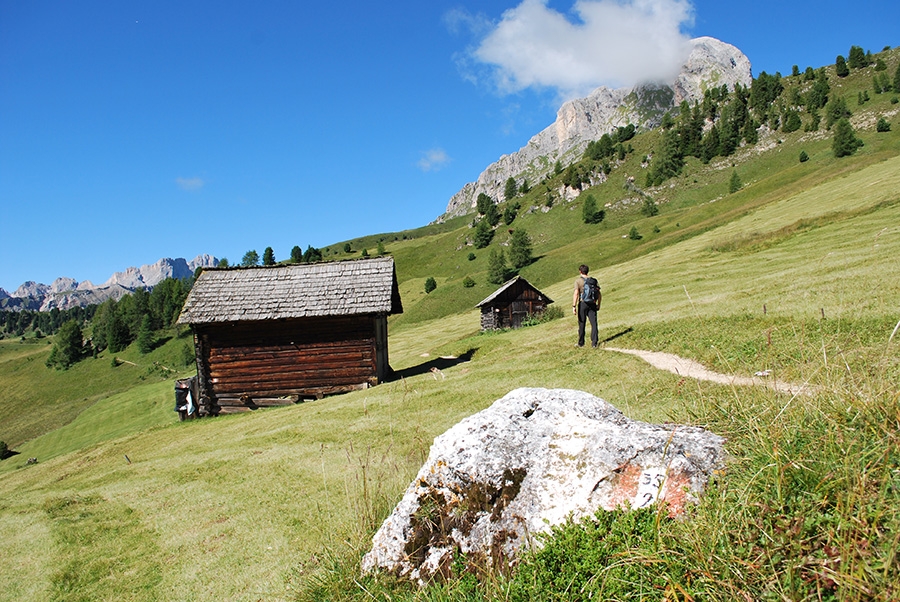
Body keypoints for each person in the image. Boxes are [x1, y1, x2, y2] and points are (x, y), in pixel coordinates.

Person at [573, 264, 600, 348]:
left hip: (583, 303)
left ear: (580, 271)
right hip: (592, 303)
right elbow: (599, 294)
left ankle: (581, 343)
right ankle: (594, 343)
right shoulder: (594, 281)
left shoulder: (578, 281)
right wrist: (598, 304)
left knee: (582, 323)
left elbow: (576, 293)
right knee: (594, 323)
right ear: (587, 271)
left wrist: (574, 306)